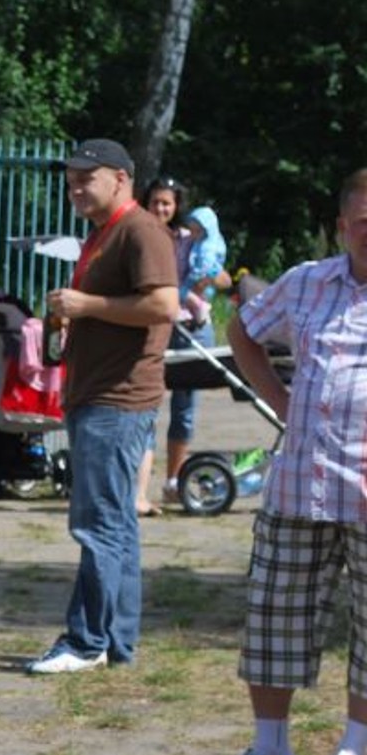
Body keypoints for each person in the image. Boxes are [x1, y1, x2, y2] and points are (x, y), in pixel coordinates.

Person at [196, 169, 367, 755]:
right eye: (365, 224)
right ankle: (270, 749)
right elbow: (243, 329)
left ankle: (353, 753)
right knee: (274, 619)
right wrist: (279, 399)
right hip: (300, 482)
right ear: (343, 226)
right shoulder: (305, 282)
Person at [25, 139, 179, 674]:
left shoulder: (141, 230)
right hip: (100, 396)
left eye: (85, 177)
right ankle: (116, 642)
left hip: (118, 398)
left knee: (98, 525)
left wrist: (86, 305)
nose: (75, 187)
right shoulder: (104, 234)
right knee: (117, 525)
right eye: (70, 178)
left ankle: (84, 641)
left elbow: (165, 305)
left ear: (119, 177)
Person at [136, 178, 233, 511]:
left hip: (193, 328)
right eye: (155, 202)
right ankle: (139, 489)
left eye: (167, 203)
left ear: (177, 207)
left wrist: (208, 275)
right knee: (145, 405)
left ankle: (174, 483)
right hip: (154, 326)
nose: (161, 209)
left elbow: (223, 279)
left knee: (185, 410)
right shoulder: (140, 235)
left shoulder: (192, 240)